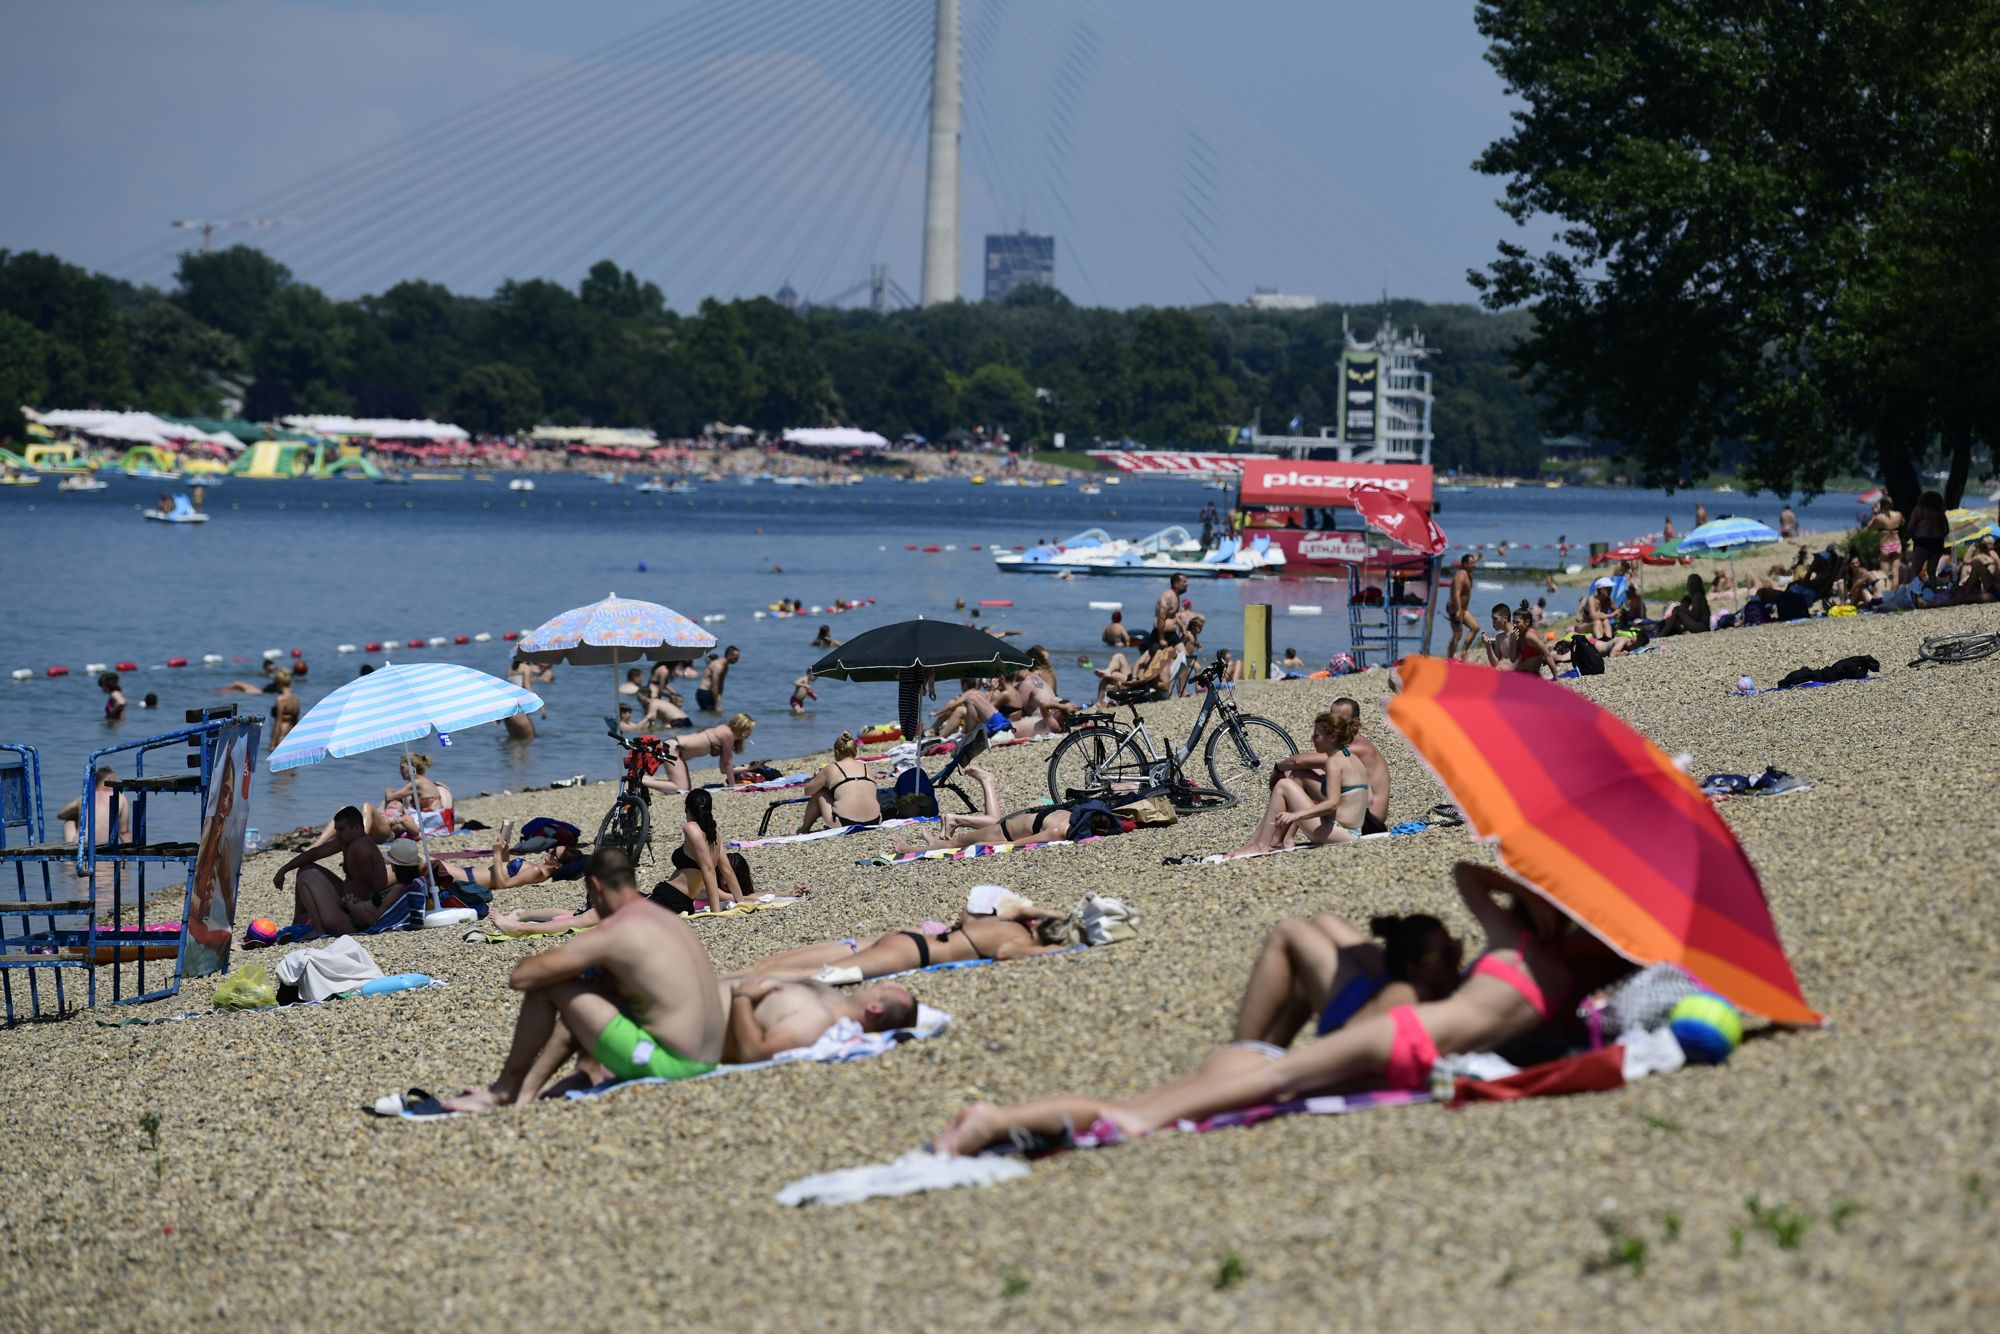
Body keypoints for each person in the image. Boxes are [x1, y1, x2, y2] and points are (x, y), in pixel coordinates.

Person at [931, 863, 1632, 1155]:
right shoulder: (1569, 987)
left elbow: (1466, 877)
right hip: (1416, 1050)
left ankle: (997, 1119)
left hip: (1400, 1038)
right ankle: (1002, 1122)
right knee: (1227, 1090)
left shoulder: (1519, 946)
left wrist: (1525, 893)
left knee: (1186, 1100)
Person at [436, 849, 728, 1114]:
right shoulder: (666, 919)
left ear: (597, 887)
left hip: (671, 1064)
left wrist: (567, 965)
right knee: (602, 983)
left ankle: (503, 1091)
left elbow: (522, 977)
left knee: (552, 984)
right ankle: (560, 1079)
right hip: (707, 1055)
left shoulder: (617, 929)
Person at [1229, 910, 1463, 1056]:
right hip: (1377, 994)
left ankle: (1239, 1056)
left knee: (1289, 931)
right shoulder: (1424, 982)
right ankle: (1265, 1050)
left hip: (1346, 1026)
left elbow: (1350, 1041)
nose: (1456, 960)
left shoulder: (1407, 993)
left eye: (1453, 951)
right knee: (1325, 920)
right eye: (1448, 954)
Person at [724, 895, 1078, 983]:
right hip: (913, 952)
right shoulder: (1020, 942)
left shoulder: (1010, 918)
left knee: (774, 964)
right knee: (820, 976)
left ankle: (724, 980)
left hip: (917, 932)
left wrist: (1055, 915)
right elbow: (1004, 954)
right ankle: (725, 987)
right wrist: (1053, 948)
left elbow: (971, 916)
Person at [1230, 709, 1375, 855]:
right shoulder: (1351, 758)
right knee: (1298, 775)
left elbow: (1332, 804)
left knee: (1283, 785)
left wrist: (1296, 815)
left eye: (1316, 735)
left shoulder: (1334, 762)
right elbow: (1367, 797)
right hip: (1352, 830)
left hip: (1343, 834)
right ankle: (1260, 842)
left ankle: (1261, 845)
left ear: (1331, 737)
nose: (1312, 739)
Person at [890, 764, 1124, 853]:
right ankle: (936, 840)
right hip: (1008, 827)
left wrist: (982, 847)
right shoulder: (1061, 829)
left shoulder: (1071, 815)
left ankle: (914, 848)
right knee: (960, 839)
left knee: (959, 841)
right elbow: (1016, 844)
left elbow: (1015, 844)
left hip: (1006, 829)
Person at [718, 977, 919, 1064]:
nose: (881, 983)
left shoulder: (817, 1021)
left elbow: (755, 1054)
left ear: (874, 1009)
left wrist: (741, 999)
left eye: (885, 989)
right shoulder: (828, 995)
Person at [272, 805, 398, 937]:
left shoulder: (360, 848)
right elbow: (315, 853)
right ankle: (297, 923)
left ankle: (318, 929)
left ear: (357, 828)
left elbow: (361, 894)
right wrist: (284, 869)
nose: (338, 834)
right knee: (306, 868)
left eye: (342, 829)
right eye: (336, 830)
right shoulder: (350, 840)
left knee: (306, 874)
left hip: (354, 919)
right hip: (350, 906)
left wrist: (330, 904)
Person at [642, 713, 756, 792]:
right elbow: (728, 763)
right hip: (674, 748)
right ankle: (643, 781)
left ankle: (646, 780)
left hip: (675, 749)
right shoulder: (727, 734)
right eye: (749, 730)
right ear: (742, 727)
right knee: (681, 789)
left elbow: (724, 769)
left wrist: (749, 768)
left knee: (686, 788)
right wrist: (733, 785)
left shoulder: (726, 733)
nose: (750, 734)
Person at [797, 732, 882, 833]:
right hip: (875, 821)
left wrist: (818, 778)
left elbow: (808, 791)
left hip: (845, 823)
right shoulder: (866, 767)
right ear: (855, 751)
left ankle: (803, 829)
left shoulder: (831, 768)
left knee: (820, 792)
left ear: (837, 753)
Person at [1327, 698, 1390, 826]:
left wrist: (1279, 768)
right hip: (1359, 812)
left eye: (1342, 721)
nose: (1336, 725)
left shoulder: (1359, 748)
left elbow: (1301, 761)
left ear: (1356, 722)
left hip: (1371, 819)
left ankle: (1282, 840)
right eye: (1332, 720)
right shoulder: (1346, 745)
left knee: (1300, 778)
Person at [57, 766, 134, 845]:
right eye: (115, 779)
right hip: (104, 846)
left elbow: (61, 815)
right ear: (109, 778)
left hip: (81, 845)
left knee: (69, 821)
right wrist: (133, 850)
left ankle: (70, 847)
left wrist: (79, 815)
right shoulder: (120, 797)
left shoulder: (86, 796)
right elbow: (123, 832)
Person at [1445, 554, 1481, 659]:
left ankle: (1463, 652)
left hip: (1463, 609)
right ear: (1465, 564)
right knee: (1457, 634)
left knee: (1475, 627)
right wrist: (1458, 610)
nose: (1475, 565)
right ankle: (1450, 659)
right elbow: (1456, 593)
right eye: (1472, 563)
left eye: (1475, 563)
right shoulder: (1460, 575)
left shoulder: (1469, 574)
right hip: (1454, 608)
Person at [1909, 490, 1950, 580]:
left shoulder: (1919, 509)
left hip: (1923, 541)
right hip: (1937, 542)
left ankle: (1913, 592)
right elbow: (1946, 530)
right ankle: (1933, 592)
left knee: (1915, 570)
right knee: (1931, 572)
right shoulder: (1940, 512)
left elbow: (1911, 526)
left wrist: (1913, 535)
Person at [1150, 573, 1190, 647]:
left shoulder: (1176, 596)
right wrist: (1161, 639)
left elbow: (1174, 616)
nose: (1187, 584)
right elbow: (1161, 617)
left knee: (1181, 653)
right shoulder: (1167, 596)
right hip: (1160, 634)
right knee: (1152, 656)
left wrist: (1182, 627)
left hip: (1171, 635)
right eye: (1184, 582)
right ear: (1176, 584)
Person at [695, 646, 739, 712]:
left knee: (711, 715)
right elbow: (715, 686)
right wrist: (717, 704)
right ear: (730, 655)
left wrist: (719, 699)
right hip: (705, 693)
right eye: (736, 658)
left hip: (709, 693)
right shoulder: (718, 666)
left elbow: (721, 684)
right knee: (712, 715)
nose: (737, 660)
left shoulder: (725, 666)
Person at [269, 670, 301, 751]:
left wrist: (273, 744)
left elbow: (278, 722)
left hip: (280, 738)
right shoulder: (296, 700)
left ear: (279, 683)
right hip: (290, 739)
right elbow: (295, 723)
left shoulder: (281, 699)